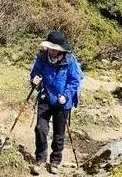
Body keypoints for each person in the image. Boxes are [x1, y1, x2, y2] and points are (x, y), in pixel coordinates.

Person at [29, 30, 83, 175]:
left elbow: (75, 80)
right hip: (46, 97)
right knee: (40, 129)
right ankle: (40, 159)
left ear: (61, 50)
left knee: (59, 134)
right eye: (50, 47)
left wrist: (66, 96)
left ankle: (55, 161)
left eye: (55, 49)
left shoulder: (70, 61)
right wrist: (35, 79)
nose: (51, 51)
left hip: (63, 103)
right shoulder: (42, 57)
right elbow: (35, 72)